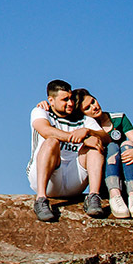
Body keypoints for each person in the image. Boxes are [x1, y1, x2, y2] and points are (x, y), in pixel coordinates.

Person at [27, 79, 106, 222]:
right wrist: (78, 138)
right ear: (51, 100)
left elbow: (106, 138)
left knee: (95, 146)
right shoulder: (40, 111)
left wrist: (88, 132)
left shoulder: (83, 120)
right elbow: (45, 130)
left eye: (71, 98)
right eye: (65, 100)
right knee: (51, 141)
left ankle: (93, 196)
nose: (70, 103)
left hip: (74, 178)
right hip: (48, 177)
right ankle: (41, 200)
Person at [72, 88, 133, 219]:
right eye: (87, 108)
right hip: (106, 183)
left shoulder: (118, 118)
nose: (94, 107)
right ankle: (115, 196)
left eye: (93, 101)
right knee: (112, 146)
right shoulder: (84, 128)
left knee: (126, 144)